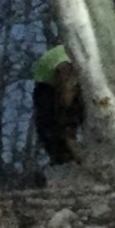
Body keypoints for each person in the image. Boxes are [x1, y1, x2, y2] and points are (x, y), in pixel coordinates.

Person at [31, 44, 83, 175]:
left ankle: (65, 158)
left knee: (56, 123)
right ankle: (64, 160)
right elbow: (67, 90)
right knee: (50, 126)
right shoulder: (64, 68)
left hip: (49, 80)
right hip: (47, 83)